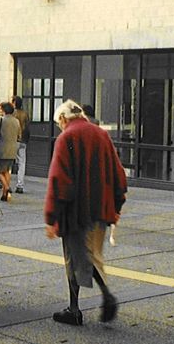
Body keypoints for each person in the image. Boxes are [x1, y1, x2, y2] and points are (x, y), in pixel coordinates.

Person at [44, 100, 128, 326]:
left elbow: (59, 180)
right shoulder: (101, 134)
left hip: (75, 212)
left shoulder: (67, 138)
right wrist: (117, 206)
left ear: (63, 119)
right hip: (100, 209)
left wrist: (51, 217)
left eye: (59, 123)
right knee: (91, 256)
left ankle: (83, 305)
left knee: (76, 258)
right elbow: (119, 173)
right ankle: (90, 302)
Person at [0, 101, 19, 202]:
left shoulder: (0, 121)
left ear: (3, 110)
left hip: (2, 149)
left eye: (0, 108)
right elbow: (19, 135)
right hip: (13, 149)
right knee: (7, 171)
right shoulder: (16, 121)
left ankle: (6, 186)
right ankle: (4, 194)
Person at [11, 95, 30, 193]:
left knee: (9, 162)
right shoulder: (25, 114)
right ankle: (20, 185)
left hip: (13, 140)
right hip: (23, 141)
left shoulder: (12, 114)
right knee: (22, 163)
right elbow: (27, 128)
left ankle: (6, 183)